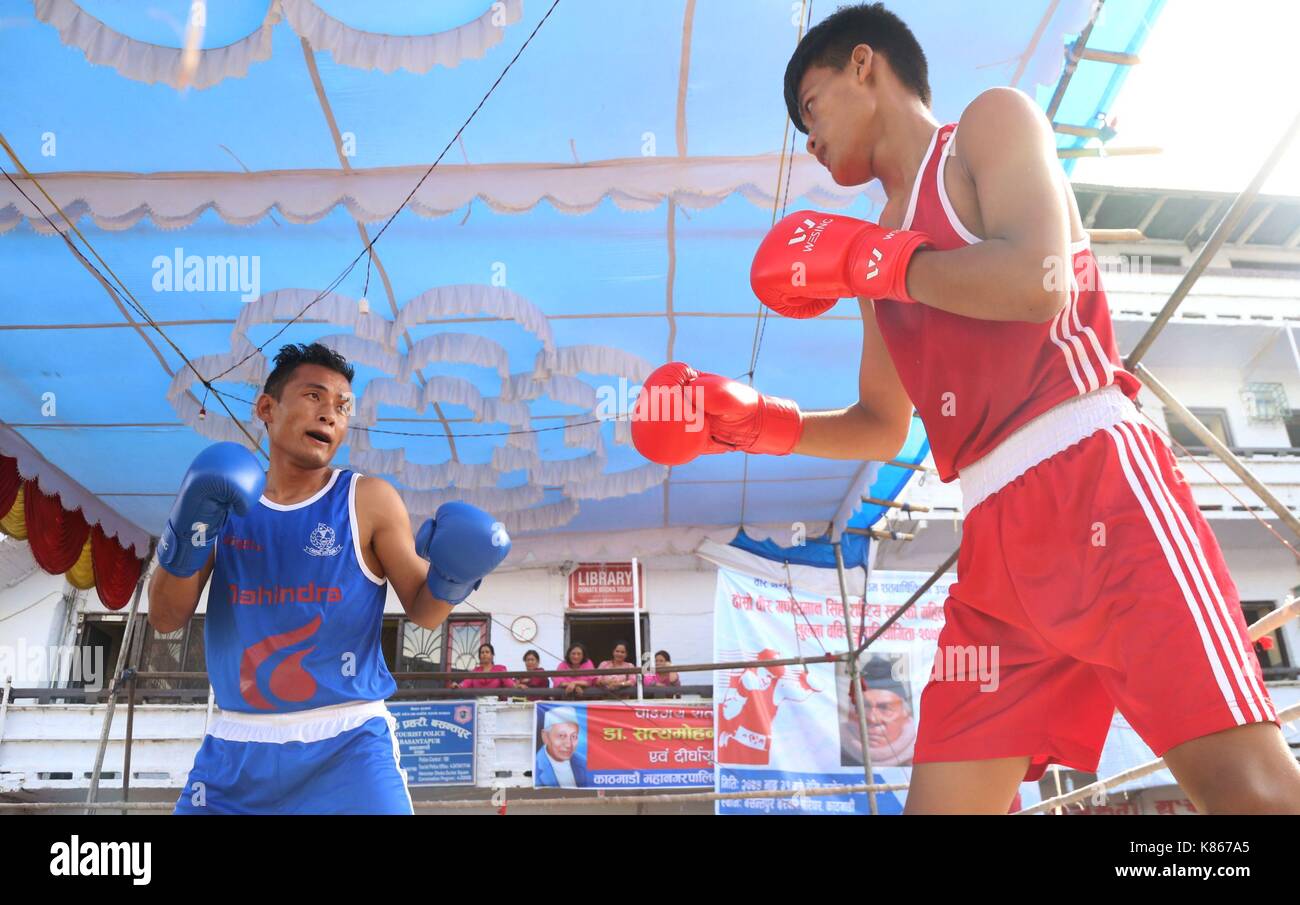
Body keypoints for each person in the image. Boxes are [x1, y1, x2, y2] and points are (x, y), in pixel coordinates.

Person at [633, 3, 1300, 814]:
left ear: (864, 65)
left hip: (1099, 484)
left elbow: (1035, 282)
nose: (808, 141)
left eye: (810, 108)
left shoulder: (990, 125)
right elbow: (883, 423)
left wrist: (874, 260)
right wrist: (756, 425)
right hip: (991, 551)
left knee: (1249, 796)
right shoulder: (868, 254)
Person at [150, 342, 510, 814]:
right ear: (266, 407)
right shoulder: (224, 498)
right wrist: (189, 530)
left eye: (342, 407)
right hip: (236, 748)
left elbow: (424, 613)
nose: (330, 415)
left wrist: (454, 577)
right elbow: (165, 617)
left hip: (348, 745)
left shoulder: (367, 500)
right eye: (314, 397)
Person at [716, 649, 820, 766]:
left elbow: (800, 694)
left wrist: (809, 684)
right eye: (766, 674)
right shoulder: (742, 678)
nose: (767, 679)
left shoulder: (778, 684)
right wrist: (741, 694)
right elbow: (727, 713)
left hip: (762, 748)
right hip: (736, 744)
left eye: (770, 676)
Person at [842, 657, 916, 767]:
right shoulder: (832, 749)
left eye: (885, 708)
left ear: (904, 713)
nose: (872, 718)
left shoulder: (921, 758)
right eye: (864, 707)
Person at [534, 705, 588, 788]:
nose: (569, 745)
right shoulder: (535, 766)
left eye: (573, 736)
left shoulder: (583, 763)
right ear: (545, 737)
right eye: (562, 736)